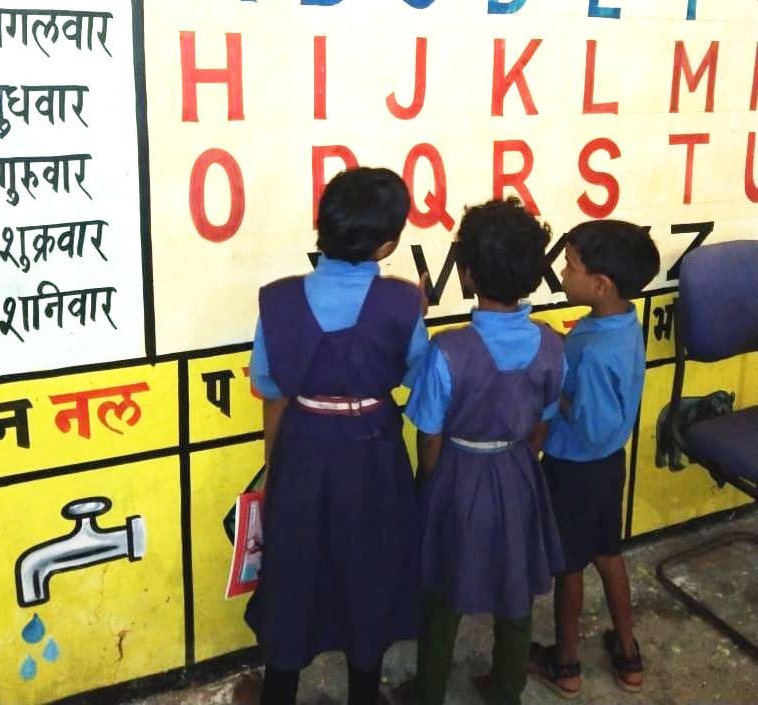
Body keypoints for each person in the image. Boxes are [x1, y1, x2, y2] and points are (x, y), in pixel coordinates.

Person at [233, 167, 428, 705]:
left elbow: (269, 387)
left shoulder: (277, 300)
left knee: (294, 569)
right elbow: (418, 374)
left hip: (302, 448)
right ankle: (364, 692)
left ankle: (279, 692)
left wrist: (274, 470)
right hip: (374, 451)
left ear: (321, 226)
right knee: (371, 566)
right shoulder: (402, 301)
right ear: (388, 245)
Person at [401, 198, 565, 705]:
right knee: (516, 590)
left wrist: (431, 480)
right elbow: (542, 421)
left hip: (456, 473)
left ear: (467, 274)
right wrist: (520, 459)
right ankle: (506, 689)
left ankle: (428, 691)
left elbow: (429, 435)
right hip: (517, 471)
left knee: (441, 590)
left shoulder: (448, 349)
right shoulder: (552, 344)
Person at [528, 219, 660, 699]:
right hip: (607, 467)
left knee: (569, 567)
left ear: (601, 284)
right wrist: (565, 349)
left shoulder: (597, 350)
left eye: (570, 266)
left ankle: (565, 664)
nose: (563, 274)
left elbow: (591, 423)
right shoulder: (622, 325)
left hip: (574, 469)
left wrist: (554, 382)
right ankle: (628, 654)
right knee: (608, 554)